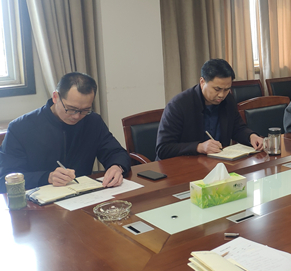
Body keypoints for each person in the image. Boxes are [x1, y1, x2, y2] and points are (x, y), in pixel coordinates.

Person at [0, 72, 130, 192]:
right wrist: (47, 177)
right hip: (38, 203)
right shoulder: (20, 128)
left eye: (85, 110)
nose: (76, 116)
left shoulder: (92, 121)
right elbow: (5, 179)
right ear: (55, 97)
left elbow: (116, 152)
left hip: (84, 196)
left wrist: (116, 167)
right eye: (71, 109)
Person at [156, 59, 263, 160]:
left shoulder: (228, 100)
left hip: (217, 162)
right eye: (217, 89)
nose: (222, 95)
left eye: (226, 89)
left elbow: (237, 128)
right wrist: (199, 147)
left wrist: (251, 136)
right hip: (183, 165)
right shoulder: (178, 105)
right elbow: (163, 148)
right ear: (202, 82)